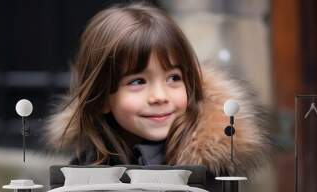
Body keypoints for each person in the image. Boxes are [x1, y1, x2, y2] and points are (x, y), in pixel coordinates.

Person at [44, 2, 273, 179]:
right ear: (103, 97)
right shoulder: (85, 166)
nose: (160, 96)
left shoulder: (209, 168)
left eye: (173, 78)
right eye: (137, 82)